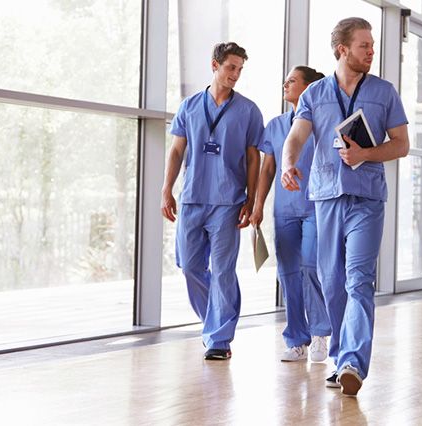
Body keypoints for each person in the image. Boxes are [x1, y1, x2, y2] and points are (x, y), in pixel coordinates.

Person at [280, 17, 409, 396]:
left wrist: (366, 153)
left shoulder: (384, 92)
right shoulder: (315, 94)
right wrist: (289, 164)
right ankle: (340, 358)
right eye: (364, 45)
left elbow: (400, 143)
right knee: (333, 282)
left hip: (367, 198)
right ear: (343, 50)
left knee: (358, 279)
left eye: (372, 45)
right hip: (326, 197)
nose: (372, 51)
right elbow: (296, 137)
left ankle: (353, 360)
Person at [161, 42, 263, 361]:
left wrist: (251, 198)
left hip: (228, 200)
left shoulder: (248, 110)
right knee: (190, 266)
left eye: (240, 69)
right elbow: (177, 151)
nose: (235, 74)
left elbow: (253, 158)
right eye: (231, 67)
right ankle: (212, 323)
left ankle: (219, 338)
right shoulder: (190, 106)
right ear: (215, 65)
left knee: (222, 271)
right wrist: (167, 189)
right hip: (192, 198)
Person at [250, 66, 332, 363]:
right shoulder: (275, 125)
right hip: (284, 210)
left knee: (310, 267)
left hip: (316, 207)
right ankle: (297, 339)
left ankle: (321, 333)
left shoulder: (323, 123)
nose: (285, 84)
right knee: (287, 275)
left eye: (292, 80)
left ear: (310, 88)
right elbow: (268, 169)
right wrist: (258, 206)